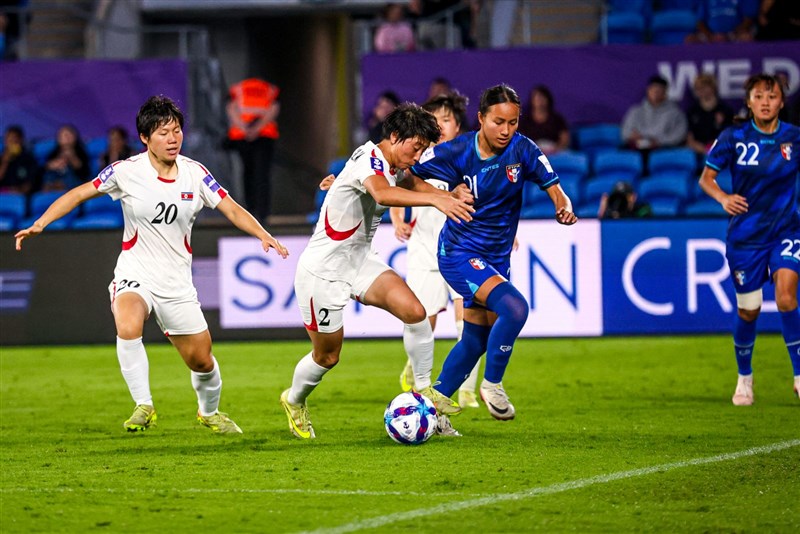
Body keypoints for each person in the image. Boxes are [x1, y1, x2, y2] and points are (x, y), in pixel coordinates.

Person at [15, 95, 289, 433]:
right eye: (163, 133)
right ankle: (144, 404)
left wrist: (263, 235)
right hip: (135, 272)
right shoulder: (126, 172)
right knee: (128, 325)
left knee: (202, 360)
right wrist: (41, 222)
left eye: (176, 131)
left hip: (176, 283)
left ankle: (209, 413)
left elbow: (231, 207)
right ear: (145, 138)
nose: (173, 139)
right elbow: (79, 193)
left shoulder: (195, 174)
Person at [279, 103, 475, 440]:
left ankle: (425, 392)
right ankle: (294, 400)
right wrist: (438, 201)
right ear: (396, 137)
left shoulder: (398, 164)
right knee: (327, 356)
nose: (417, 156)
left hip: (359, 262)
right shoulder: (367, 159)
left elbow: (413, 182)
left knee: (416, 312)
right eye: (415, 148)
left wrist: (446, 193)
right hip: (323, 272)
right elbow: (383, 193)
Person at [410, 84, 578, 434]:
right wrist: (444, 195)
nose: (506, 130)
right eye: (499, 122)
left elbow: (555, 187)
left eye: (513, 122)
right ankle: (492, 384)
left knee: (475, 339)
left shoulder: (523, 149)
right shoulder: (457, 150)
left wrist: (562, 206)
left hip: (495, 258)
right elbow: (408, 174)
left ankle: (431, 409)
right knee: (515, 308)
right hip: (458, 253)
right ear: (481, 118)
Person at [698, 73, 800, 405]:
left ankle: (799, 376)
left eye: (772, 96)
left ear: (781, 102)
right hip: (746, 238)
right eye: (759, 96)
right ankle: (745, 378)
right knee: (749, 310)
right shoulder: (734, 137)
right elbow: (706, 179)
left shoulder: (794, 138)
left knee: (786, 297)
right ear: (749, 102)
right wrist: (723, 198)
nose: (766, 102)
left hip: (786, 231)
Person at [387, 91, 482, 408]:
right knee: (421, 322)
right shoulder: (418, 156)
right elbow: (394, 188)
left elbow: (493, 197)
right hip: (425, 250)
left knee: (467, 321)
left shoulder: (470, 155)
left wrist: (508, 233)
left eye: (446, 120)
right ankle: (417, 371)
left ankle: (467, 390)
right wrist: (398, 219)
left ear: (458, 126)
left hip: (463, 250)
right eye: (435, 120)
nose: (440, 126)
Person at [226, 77, 280, 223]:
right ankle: (263, 213)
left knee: (247, 173)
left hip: (243, 136)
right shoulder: (269, 90)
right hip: (264, 135)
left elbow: (231, 108)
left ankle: (251, 210)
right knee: (262, 174)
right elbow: (274, 108)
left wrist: (244, 128)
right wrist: (257, 128)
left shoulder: (238, 89)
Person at [621, 75, 688, 156]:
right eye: (653, 89)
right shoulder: (635, 111)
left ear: (665, 93)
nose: (655, 93)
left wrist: (658, 142)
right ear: (648, 90)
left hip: (662, 150)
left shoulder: (676, 113)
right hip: (638, 150)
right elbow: (625, 133)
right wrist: (635, 137)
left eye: (659, 90)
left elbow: (679, 135)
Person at [686, 73, 734, 161]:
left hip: (722, 152)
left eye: (704, 87)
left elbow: (731, 135)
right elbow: (690, 138)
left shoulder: (725, 110)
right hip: (698, 154)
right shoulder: (692, 111)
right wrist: (702, 149)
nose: (701, 91)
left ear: (713, 88)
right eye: (698, 88)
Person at [517, 85, 571, 156]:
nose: (539, 101)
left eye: (542, 98)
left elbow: (565, 138)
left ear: (548, 99)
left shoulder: (557, 118)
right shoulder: (524, 119)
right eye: (537, 98)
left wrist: (557, 149)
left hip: (555, 152)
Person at [40, 124, 90, 192]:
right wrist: (52, 165)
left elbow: (85, 172)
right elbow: (44, 169)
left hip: (75, 184)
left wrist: (72, 159)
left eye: (68, 135)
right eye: (63, 135)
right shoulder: (53, 154)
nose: (66, 138)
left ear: (75, 137)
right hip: (55, 181)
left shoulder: (81, 152)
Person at [686, 0, 759, 43]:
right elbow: (699, 22)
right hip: (711, 33)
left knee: (746, 38)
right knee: (690, 39)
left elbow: (749, 18)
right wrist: (710, 36)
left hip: (736, 32)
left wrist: (733, 34)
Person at [0, 125, 38, 194]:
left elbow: (29, 184)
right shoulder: (2, 158)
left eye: (13, 139)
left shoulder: (29, 159)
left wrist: (17, 191)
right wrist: (5, 162)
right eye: (8, 140)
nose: (10, 143)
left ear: (20, 140)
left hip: (19, 196)